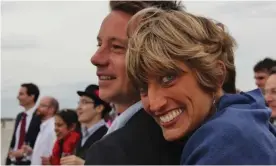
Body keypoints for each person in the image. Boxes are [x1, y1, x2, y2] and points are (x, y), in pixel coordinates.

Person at [126, 7, 276, 164]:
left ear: (216, 74)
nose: (154, 104)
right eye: (143, 88)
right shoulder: (245, 120)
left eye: (168, 78)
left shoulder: (227, 141)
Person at [84, 1, 185, 165]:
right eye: (99, 44)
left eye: (116, 47)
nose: (96, 58)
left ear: (159, 58)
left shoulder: (114, 152)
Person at [60, 85, 111, 165]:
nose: (78, 108)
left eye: (84, 102)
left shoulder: (108, 136)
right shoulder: (80, 134)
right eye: (79, 103)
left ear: (99, 108)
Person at [6, 83, 41, 165]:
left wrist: (25, 153)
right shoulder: (20, 116)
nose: (18, 97)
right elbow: (14, 142)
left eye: (21, 94)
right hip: (14, 162)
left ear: (32, 96)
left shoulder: (40, 117)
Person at [21, 96, 59, 165]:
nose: (37, 108)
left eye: (42, 105)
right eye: (39, 105)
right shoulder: (44, 126)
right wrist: (31, 152)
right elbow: (42, 155)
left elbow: (55, 155)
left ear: (51, 109)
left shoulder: (53, 128)